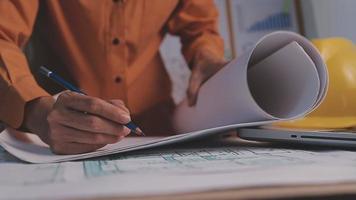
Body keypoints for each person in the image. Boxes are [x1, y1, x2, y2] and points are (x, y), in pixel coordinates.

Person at [0, 0, 226, 154]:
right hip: (62, 129)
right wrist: (36, 111)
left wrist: (206, 55)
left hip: (160, 128)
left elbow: (201, 27)